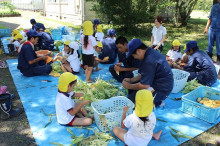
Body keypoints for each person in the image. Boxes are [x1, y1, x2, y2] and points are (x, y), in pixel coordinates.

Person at [122, 39, 173, 106]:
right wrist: (131, 80)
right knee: (133, 91)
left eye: (133, 55)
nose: (134, 58)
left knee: (136, 103)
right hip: (156, 82)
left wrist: (128, 86)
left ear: (139, 51)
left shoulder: (149, 61)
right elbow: (144, 74)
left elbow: (144, 85)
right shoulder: (149, 52)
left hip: (161, 89)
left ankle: (158, 101)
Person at [204, 0, 220, 64]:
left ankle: (218, 60)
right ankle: (209, 59)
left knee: (219, 45)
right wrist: (206, 28)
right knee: (210, 45)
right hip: (212, 29)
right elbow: (210, 18)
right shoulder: (214, 7)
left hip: (219, 30)